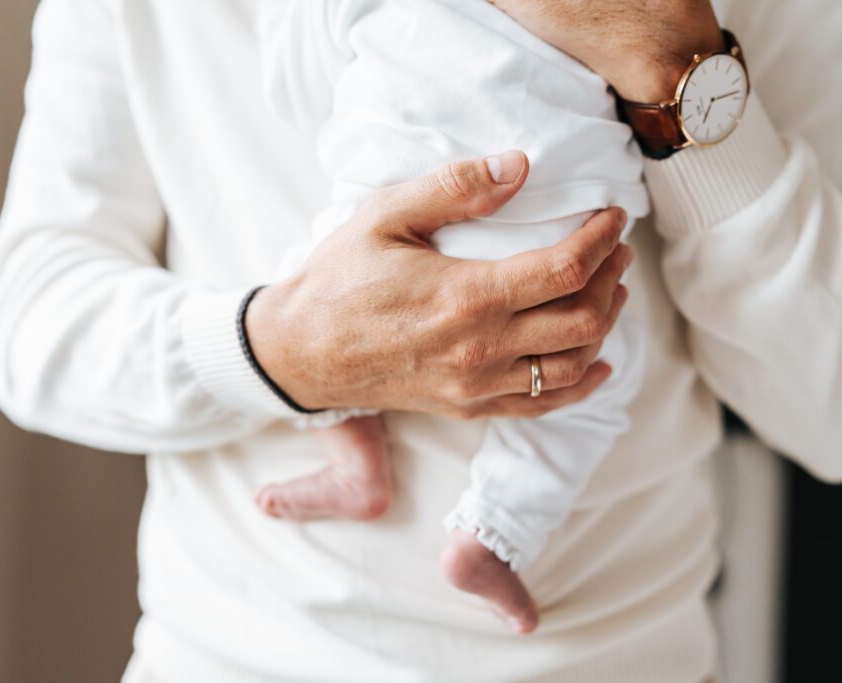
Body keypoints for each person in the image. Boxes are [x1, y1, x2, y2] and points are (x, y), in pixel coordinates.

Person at [0, 0, 842, 681]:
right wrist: (286, 353)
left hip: (627, 659)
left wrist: (672, 61)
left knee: (596, 359)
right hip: (232, 655)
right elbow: (31, 325)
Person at [253, 0, 650, 636]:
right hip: (561, 229)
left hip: (392, 223)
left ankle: (356, 458)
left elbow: (298, 95)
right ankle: (492, 536)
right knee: (601, 377)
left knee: (302, 301)